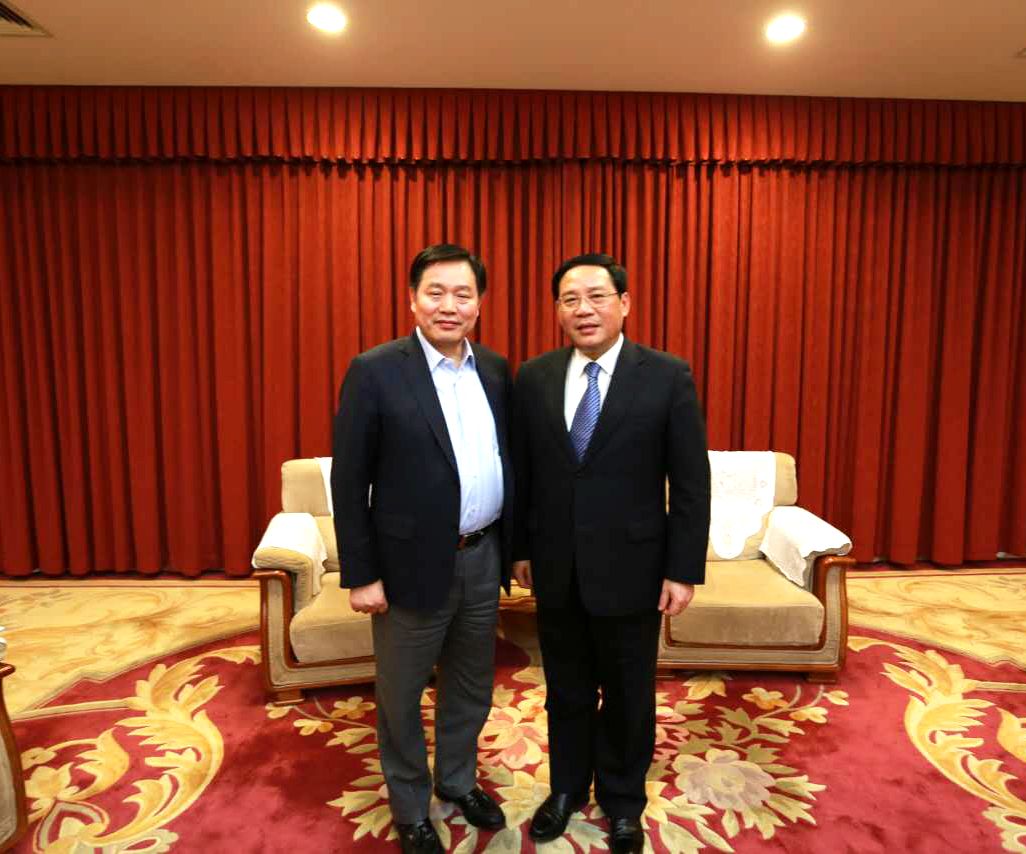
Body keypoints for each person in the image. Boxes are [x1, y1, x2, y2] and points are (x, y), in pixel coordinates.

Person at [512, 253, 710, 854]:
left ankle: (623, 801)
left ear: (624, 303)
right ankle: (566, 789)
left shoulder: (666, 375)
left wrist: (682, 569)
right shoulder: (535, 376)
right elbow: (523, 473)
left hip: (634, 568)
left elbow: (691, 480)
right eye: (570, 299)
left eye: (597, 296)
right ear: (557, 310)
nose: (584, 309)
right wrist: (520, 549)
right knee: (566, 689)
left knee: (628, 693)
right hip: (557, 567)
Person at [332, 244, 512, 854]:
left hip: (483, 556)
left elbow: (506, 461)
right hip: (407, 566)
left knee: (471, 685)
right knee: (401, 695)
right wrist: (362, 574)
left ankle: (457, 779)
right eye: (436, 292)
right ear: (412, 299)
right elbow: (350, 481)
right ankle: (410, 806)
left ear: (479, 304)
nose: (449, 305)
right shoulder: (376, 370)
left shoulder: (495, 370)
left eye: (463, 294)